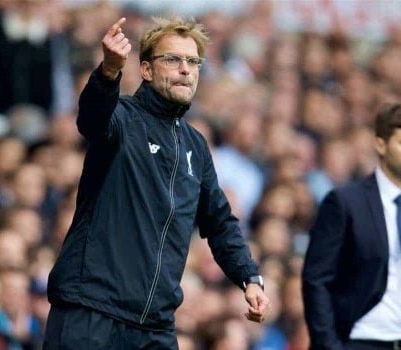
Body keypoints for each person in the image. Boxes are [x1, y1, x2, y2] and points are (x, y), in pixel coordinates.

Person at [44, 16, 269, 349]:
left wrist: (249, 277)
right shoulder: (121, 118)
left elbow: (220, 222)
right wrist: (108, 72)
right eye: (173, 59)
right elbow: (91, 118)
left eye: (193, 61)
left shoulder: (196, 146)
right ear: (147, 70)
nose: (185, 69)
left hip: (155, 326)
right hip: (91, 310)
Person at [302, 103, 401, 350]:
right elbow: (316, 280)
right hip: (361, 340)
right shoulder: (345, 203)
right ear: (381, 145)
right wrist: (327, 345)